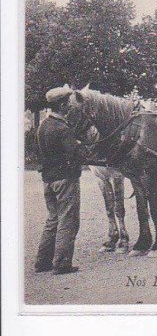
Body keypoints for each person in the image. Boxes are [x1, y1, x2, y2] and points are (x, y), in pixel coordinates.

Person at [34, 85, 92, 275]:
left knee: (53, 220)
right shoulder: (63, 129)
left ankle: (42, 262)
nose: (70, 106)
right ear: (61, 105)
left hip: (48, 180)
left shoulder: (43, 126)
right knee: (68, 220)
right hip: (65, 180)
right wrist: (82, 146)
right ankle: (61, 263)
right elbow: (77, 155)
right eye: (67, 103)